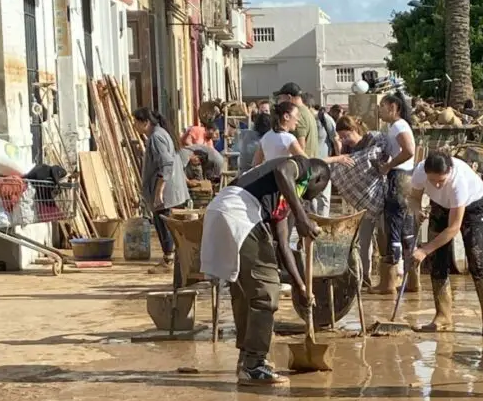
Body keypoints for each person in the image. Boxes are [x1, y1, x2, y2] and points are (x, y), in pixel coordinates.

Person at [201, 155, 330, 384]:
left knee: (244, 290)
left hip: (220, 211)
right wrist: (302, 218)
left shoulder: (281, 200)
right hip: (239, 213)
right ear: (317, 178)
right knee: (266, 291)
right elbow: (282, 170)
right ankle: (255, 364)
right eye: (318, 191)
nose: (314, 198)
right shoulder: (301, 165)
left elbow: (283, 246)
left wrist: (300, 285)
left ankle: (246, 358)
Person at [408, 151, 483, 336]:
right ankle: (443, 316)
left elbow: (454, 228)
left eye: (441, 181)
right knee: (437, 260)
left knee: (477, 258)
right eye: (433, 181)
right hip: (440, 205)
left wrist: (424, 250)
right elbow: (414, 198)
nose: (437, 185)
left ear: (450, 171)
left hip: (472, 206)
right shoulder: (419, 172)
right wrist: (417, 211)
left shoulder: (458, 183)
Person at [330, 115, 387, 286]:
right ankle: (364, 278)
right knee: (364, 241)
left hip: (380, 196)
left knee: (386, 238)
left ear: (355, 130)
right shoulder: (347, 150)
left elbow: (378, 158)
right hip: (363, 201)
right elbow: (344, 172)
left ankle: (389, 279)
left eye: (346, 135)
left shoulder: (373, 140)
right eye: (341, 137)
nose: (345, 140)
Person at [133, 108, 189, 265]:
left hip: (166, 192)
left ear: (145, 123)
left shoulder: (157, 137)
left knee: (164, 225)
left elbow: (166, 164)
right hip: (169, 190)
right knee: (165, 225)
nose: (134, 126)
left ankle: (168, 259)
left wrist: (159, 192)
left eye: (136, 122)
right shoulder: (159, 134)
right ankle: (169, 258)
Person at [377, 90, 417, 291]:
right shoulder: (397, 126)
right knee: (406, 228)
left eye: (382, 107)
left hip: (400, 177)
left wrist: (389, 165)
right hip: (406, 177)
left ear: (393, 108)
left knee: (394, 223)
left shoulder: (398, 126)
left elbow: (409, 150)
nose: (380, 112)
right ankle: (412, 280)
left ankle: (391, 280)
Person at [254, 100, 304, 164]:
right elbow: (305, 162)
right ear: (286, 116)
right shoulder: (289, 138)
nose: (298, 119)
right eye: (297, 115)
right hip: (284, 173)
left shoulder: (265, 137)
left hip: (269, 173)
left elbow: (256, 164)